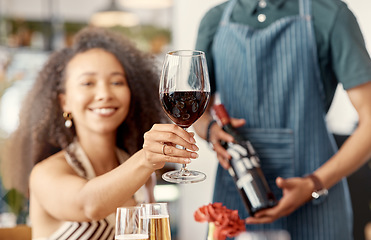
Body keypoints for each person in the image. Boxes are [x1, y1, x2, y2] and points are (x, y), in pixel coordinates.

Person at [192, 0, 371, 239]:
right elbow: (197, 112)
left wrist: (313, 184)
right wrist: (211, 130)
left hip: (317, 195)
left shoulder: (331, 14)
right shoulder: (215, 20)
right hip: (238, 192)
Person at [1, 27, 199, 239]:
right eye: (88, 83)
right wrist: (145, 158)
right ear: (64, 101)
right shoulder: (45, 174)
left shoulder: (143, 177)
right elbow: (88, 205)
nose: (104, 94)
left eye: (116, 82)